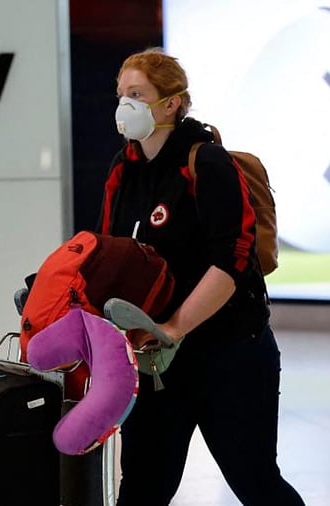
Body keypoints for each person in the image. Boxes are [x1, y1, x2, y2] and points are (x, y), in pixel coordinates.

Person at [97, 47, 304, 506]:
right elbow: (109, 254)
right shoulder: (123, 169)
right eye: (120, 94)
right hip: (156, 363)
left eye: (137, 94)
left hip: (229, 353)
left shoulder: (206, 163)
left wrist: (175, 327)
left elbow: (232, 261)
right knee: (143, 487)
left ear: (171, 102)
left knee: (254, 480)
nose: (123, 105)